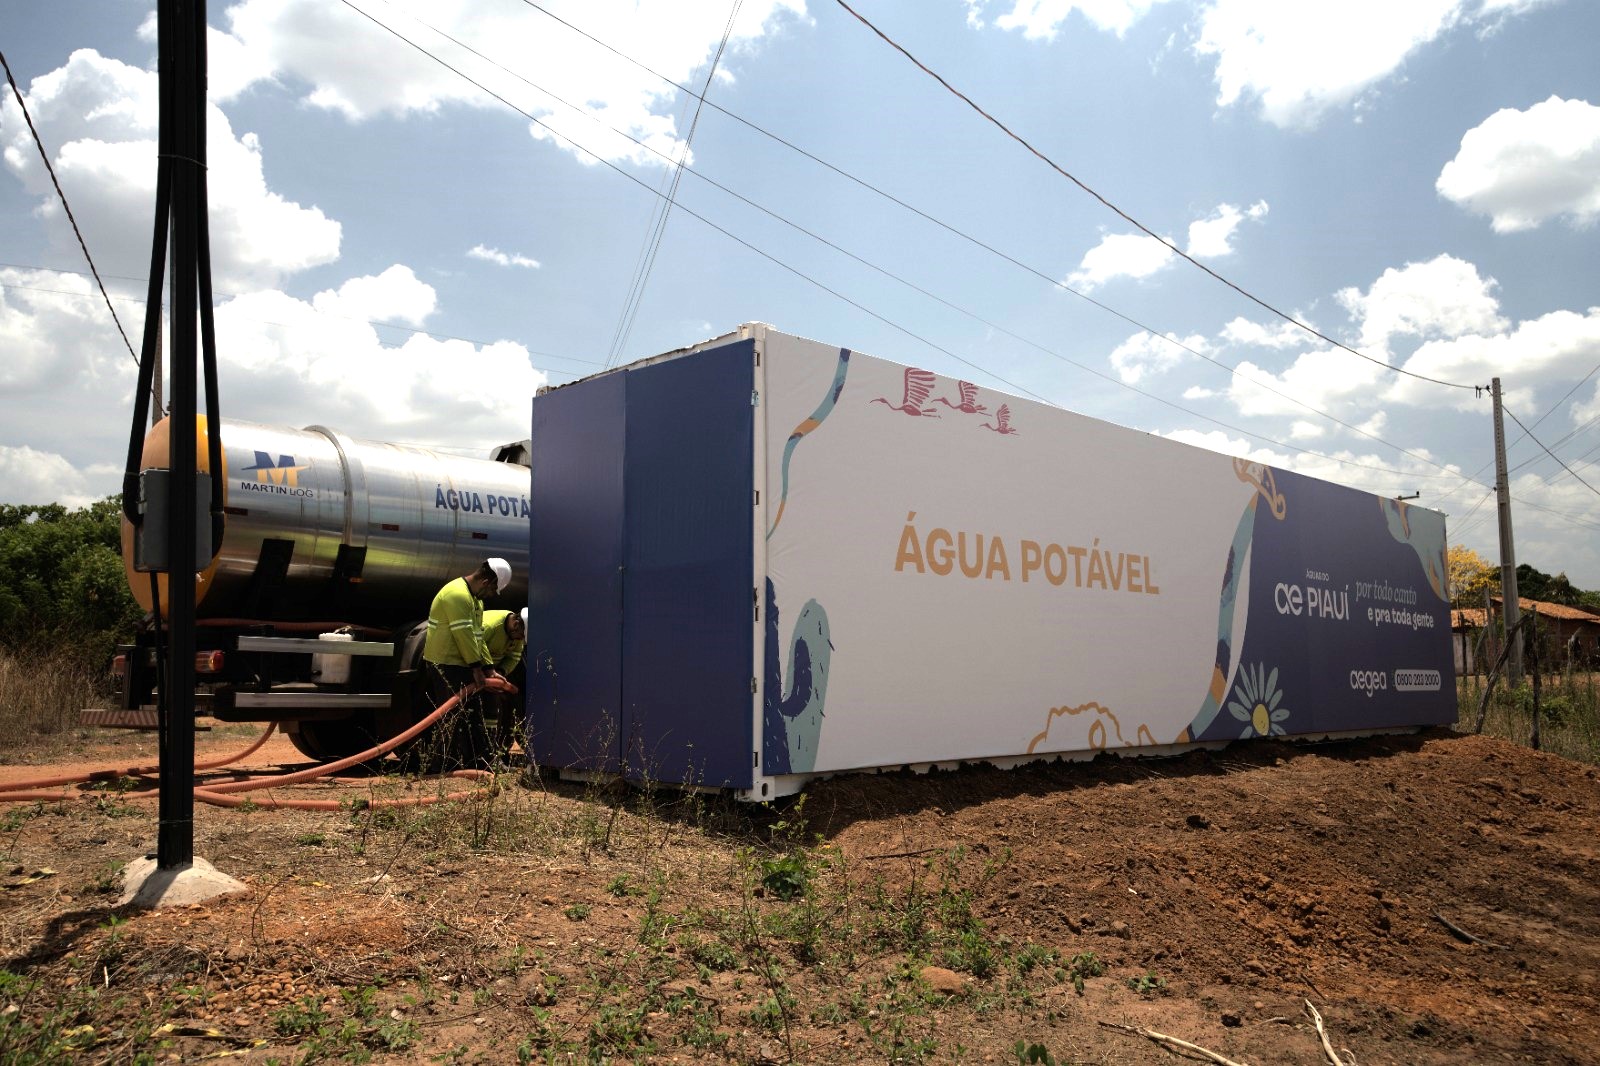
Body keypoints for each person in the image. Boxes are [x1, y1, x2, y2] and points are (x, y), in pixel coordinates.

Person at [413, 557, 512, 769]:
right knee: (451, 715)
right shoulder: (457, 595)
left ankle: (480, 761)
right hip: (445, 663)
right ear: (486, 582)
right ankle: (443, 765)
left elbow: (478, 637)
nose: (491, 595)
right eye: (493, 590)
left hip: (461, 663)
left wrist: (489, 668)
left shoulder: (476, 601)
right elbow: (463, 635)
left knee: (474, 714)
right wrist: (477, 668)